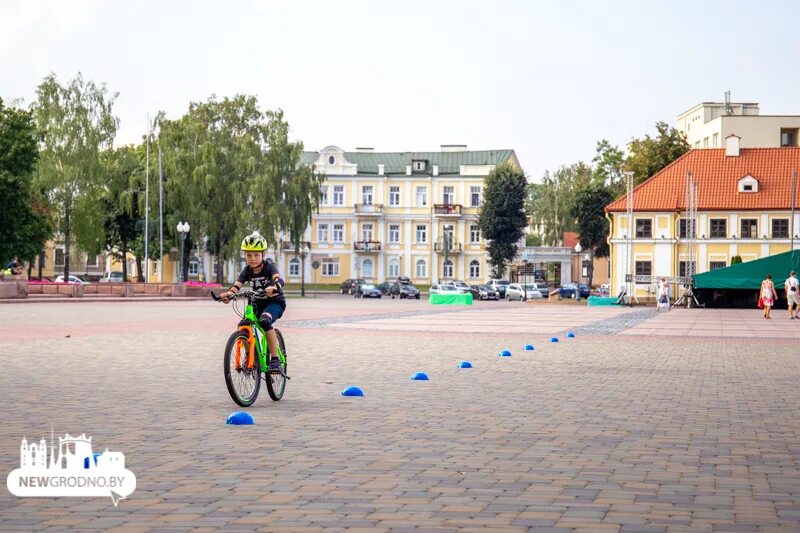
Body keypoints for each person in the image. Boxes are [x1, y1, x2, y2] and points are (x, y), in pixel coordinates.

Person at [218, 232, 286, 372]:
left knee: (265, 321)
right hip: (257, 303)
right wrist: (229, 295)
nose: (252, 259)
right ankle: (250, 357)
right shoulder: (247, 270)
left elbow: (279, 279)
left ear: (263, 254)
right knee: (243, 326)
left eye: (256, 255)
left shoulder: (269, 266)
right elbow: (237, 285)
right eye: (249, 255)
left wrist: (275, 287)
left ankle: (275, 360)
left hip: (274, 302)